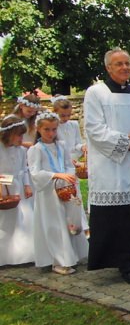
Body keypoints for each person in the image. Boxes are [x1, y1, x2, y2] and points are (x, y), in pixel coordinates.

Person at [84, 48, 130, 284]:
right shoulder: (96, 93)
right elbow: (95, 129)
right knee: (115, 217)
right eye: (119, 64)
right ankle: (122, 263)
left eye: (127, 63)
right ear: (108, 68)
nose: (125, 67)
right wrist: (127, 142)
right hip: (110, 168)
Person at [28, 111, 88, 275]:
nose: (51, 133)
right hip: (48, 194)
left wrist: (68, 175)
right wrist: (55, 175)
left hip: (65, 190)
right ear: (39, 129)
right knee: (55, 226)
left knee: (69, 222)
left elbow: (68, 164)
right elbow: (35, 173)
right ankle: (58, 260)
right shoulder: (36, 149)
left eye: (54, 129)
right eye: (47, 129)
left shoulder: (61, 145)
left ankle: (72, 255)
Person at [52, 95, 90, 238]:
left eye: (68, 115)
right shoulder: (53, 127)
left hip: (72, 166)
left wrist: (83, 147)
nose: (66, 118)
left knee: (76, 196)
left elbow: (76, 145)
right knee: (64, 196)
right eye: (62, 115)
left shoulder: (73, 125)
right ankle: (66, 226)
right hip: (59, 165)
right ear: (55, 112)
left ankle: (82, 226)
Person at [0, 115, 34, 266]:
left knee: (21, 219)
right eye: (19, 135)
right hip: (2, 188)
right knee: (4, 221)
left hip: (17, 188)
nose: (22, 138)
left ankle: (21, 254)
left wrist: (27, 185)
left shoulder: (21, 151)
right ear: (9, 134)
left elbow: (24, 169)